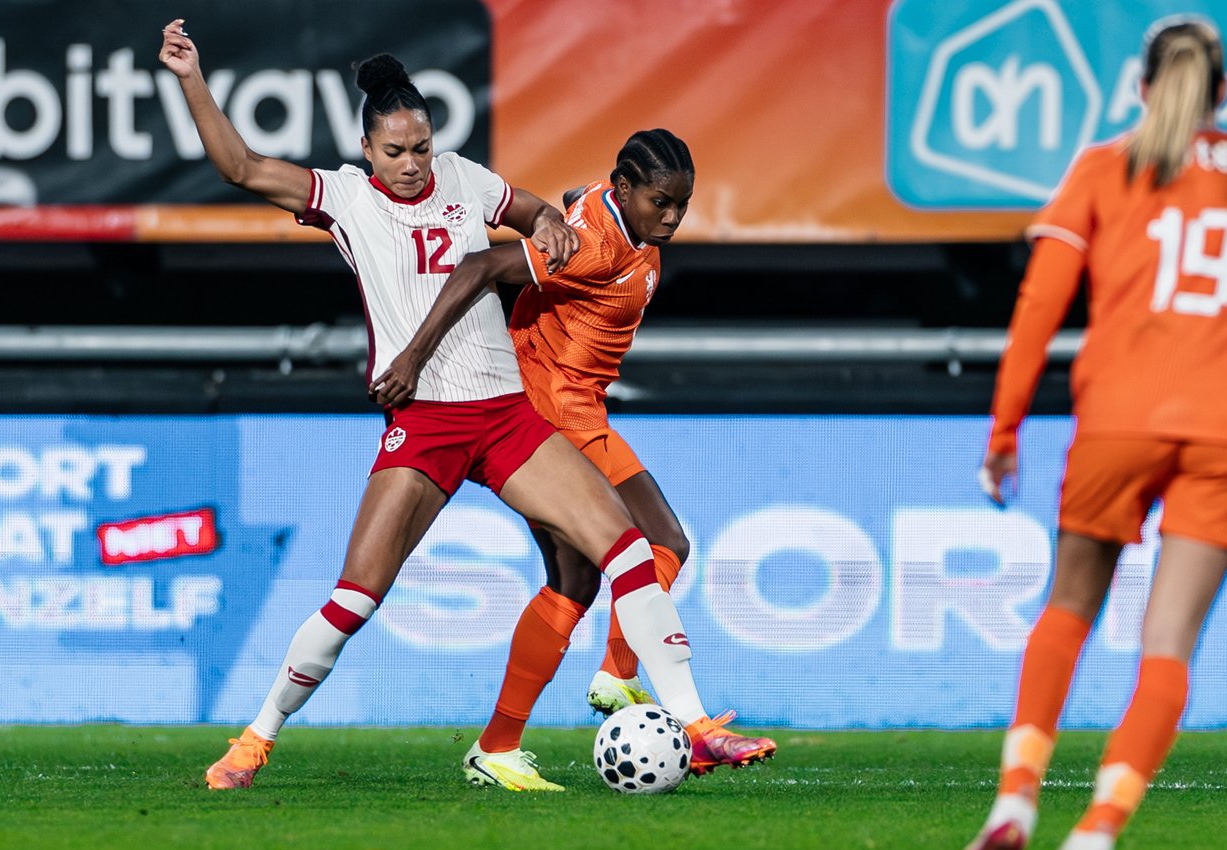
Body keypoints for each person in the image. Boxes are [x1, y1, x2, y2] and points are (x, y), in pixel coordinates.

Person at [157, 20, 769, 793]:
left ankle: (697, 723)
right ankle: (256, 737)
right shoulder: (342, 197)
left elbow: (535, 214)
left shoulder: (466, 180)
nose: (412, 166)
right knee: (355, 598)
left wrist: (551, 222)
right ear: (367, 147)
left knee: (627, 550)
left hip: (509, 415)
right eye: (394, 151)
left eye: (420, 148)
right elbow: (241, 166)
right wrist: (189, 78)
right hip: (425, 424)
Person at [373, 129, 777, 789]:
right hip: (556, 413)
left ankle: (499, 745)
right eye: (660, 202)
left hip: (577, 408)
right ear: (624, 189)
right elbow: (478, 269)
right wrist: (413, 360)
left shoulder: (614, 219)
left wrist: (567, 209)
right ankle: (657, 703)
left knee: (576, 582)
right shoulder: (592, 246)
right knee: (661, 542)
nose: (672, 216)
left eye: (682, 203)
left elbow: (577, 197)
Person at [960, 16, 1227, 850]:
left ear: (1140, 88)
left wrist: (1004, 430)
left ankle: (1016, 800)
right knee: (1168, 642)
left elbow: (1038, 310)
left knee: (1068, 608)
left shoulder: (1103, 166)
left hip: (1119, 419)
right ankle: (1097, 830)